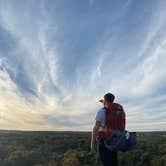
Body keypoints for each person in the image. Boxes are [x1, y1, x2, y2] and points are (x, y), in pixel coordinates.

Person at [91, 93, 126, 166]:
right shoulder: (118, 110)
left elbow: (96, 128)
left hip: (104, 141)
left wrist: (93, 144)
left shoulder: (102, 111)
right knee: (113, 163)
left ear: (105, 100)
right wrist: (104, 103)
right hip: (115, 141)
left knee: (106, 163)